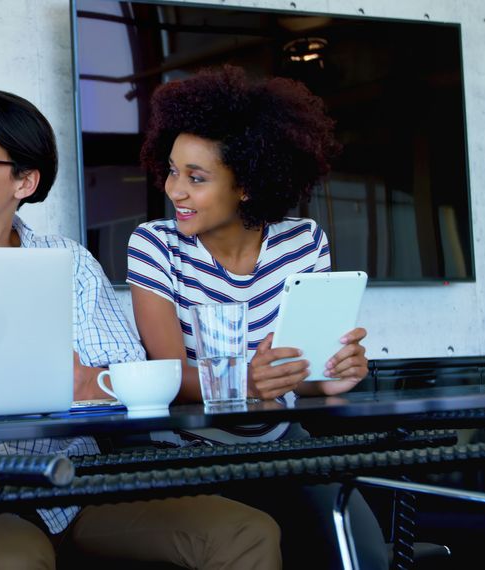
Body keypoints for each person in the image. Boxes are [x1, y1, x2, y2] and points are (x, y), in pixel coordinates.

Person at [0, 88, 282, 569]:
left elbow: (128, 380)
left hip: (73, 487)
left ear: (25, 181)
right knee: (13, 558)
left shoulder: (68, 263)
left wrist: (93, 383)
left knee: (246, 533)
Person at [127, 65, 386, 568]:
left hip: (280, 439)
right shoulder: (155, 246)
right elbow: (168, 378)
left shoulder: (303, 242)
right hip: (187, 449)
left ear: (246, 184)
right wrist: (245, 378)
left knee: (363, 554)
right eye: (173, 170)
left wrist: (331, 376)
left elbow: (297, 377)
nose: (175, 189)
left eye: (196, 178)